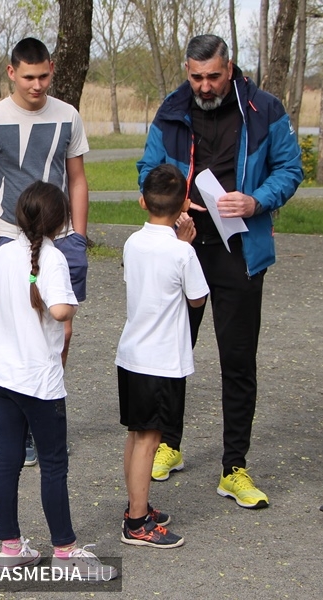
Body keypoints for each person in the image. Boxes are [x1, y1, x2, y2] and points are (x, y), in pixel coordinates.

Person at [138, 34, 303, 507]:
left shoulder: (265, 109)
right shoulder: (172, 109)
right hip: (182, 244)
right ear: (187, 72)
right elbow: (147, 168)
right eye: (197, 77)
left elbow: (290, 169)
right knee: (172, 352)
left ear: (230, 68)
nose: (205, 86)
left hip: (240, 249)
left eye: (213, 76)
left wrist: (256, 201)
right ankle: (169, 444)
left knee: (238, 360)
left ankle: (234, 468)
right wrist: (168, 203)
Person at [0, 181, 117, 579]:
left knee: (8, 460)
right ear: (61, 221)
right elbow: (62, 310)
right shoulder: (53, 258)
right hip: (38, 381)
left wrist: (12, 301)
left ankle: (10, 548)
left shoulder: (4, 253)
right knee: (53, 465)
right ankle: (65, 552)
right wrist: (60, 305)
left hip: (1, 374)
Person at [0, 37, 89, 466]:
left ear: (52, 69)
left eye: (43, 76)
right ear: (12, 73)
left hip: (61, 238)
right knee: (21, 332)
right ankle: (21, 427)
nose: (37, 85)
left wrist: (78, 236)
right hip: (11, 237)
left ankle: (45, 417)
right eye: (28, 77)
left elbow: (77, 179)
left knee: (62, 330)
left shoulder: (68, 115)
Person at [116, 164, 209, 548]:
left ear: (143, 201)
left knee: (136, 434)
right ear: (185, 204)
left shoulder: (132, 242)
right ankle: (138, 523)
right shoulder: (182, 252)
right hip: (161, 361)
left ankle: (135, 506)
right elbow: (197, 298)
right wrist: (185, 245)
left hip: (131, 354)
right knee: (150, 440)